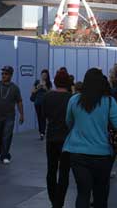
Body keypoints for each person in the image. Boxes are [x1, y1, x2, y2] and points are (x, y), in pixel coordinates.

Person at [63, 68, 117, 208]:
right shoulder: (109, 102)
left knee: (83, 193)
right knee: (100, 193)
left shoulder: (74, 100)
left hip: (77, 152)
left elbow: (68, 122)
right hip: (102, 154)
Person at [43, 69, 73, 208]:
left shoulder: (48, 96)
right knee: (64, 172)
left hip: (51, 138)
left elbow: (44, 115)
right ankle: (59, 202)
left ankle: (53, 199)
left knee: (51, 170)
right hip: (67, 139)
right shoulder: (71, 98)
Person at [0, 65, 24, 164]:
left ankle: (5, 155)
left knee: (7, 135)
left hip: (10, 116)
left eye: (6, 74)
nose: (4, 75)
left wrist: (22, 114)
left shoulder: (15, 88)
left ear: (11, 75)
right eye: (2, 73)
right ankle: (0, 150)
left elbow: (19, 101)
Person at [31, 69, 52, 140]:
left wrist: (45, 87)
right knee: (39, 117)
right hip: (37, 102)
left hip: (45, 103)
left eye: (45, 75)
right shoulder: (37, 82)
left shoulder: (49, 83)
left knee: (43, 117)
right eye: (43, 75)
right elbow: (33, 91)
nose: (44, 76)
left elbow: (50, 92)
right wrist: (38, 87)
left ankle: (42, 132)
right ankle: (41, 132)